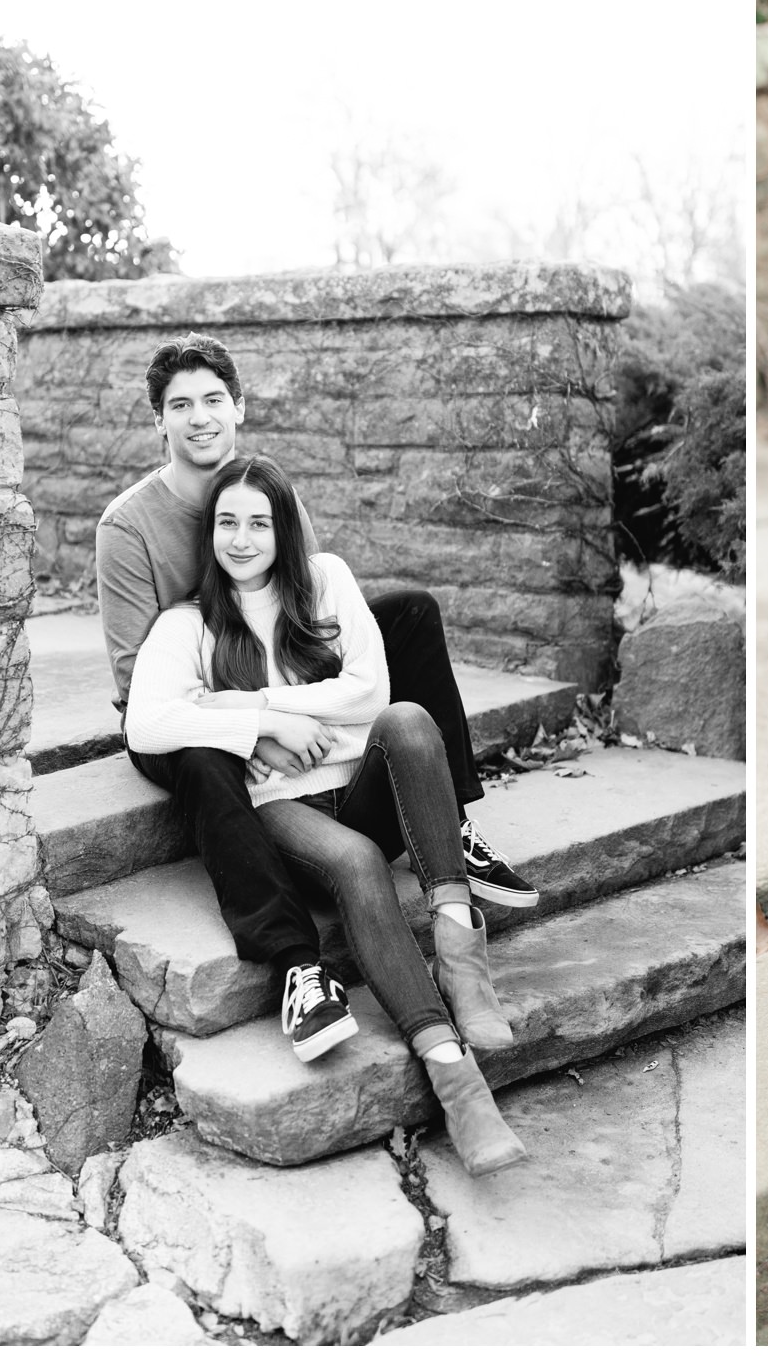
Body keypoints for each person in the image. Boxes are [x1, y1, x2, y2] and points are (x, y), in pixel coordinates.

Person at [125, 454, 527, 1176]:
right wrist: (258, 728)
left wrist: (234, 705)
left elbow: (370, 693)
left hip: (361, 787)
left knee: (407, 719)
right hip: (284, 812)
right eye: (226, 523)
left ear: (284, 529)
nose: (241, 539)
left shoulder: (327, 580)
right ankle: (452, 1074)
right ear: (209, 532)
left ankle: (463, 957)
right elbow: (147, 726)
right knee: (355, 861)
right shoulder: (188, 624)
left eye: (258, 523)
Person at [96, 332, 539, 918]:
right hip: (189, 703)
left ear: (239, 408)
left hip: (262, 675)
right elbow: (137, 682)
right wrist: (258, 728)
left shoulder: (270, 492)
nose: (199, 419)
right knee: (201, 750)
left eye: (212, 400)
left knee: (411, 613)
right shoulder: (128, 526)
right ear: (160, 421)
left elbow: (305, 616)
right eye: (180, 406)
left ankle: (451, 822)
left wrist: (293, 705)